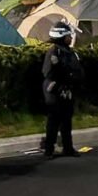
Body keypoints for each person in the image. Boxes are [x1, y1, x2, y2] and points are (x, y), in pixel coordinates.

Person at [41, 21, 84, 159]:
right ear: (61, 36)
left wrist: (72, 85)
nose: (70, 38)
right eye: (68, 36)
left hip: (68, 90)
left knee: (66, 120)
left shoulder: (70, 52)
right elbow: (48, 73)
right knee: (53, 120)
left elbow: (77, 71)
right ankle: (49, 149)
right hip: (55, 91)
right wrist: (60, 86)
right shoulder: (54, 52)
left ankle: (68, 148)